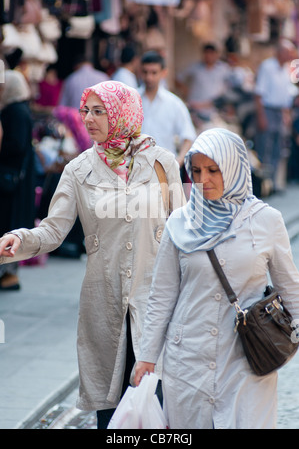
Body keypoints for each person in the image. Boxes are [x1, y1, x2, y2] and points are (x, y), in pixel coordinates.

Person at [0, 80, 186, 428]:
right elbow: (54, 230)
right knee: (112, 412)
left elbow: (185, 230)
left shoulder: (163, 163)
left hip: (156, 304)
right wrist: (18, 239)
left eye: (98, 111)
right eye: (85, 110)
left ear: (121, 114)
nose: (87, 119)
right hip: (105, 304)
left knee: (159, 409)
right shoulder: (78, 170)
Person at [134, 127, 299, 429]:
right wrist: (147, 356)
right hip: (187, 362)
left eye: (213, 170)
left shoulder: (266, 220)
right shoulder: (179, 223)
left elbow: (291, 290)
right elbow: (162, 295)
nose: (203, 180)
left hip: (248, 359)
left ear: (234, 168)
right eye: (196, 171)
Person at [0, 70, 35, 291]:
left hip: (10, 179)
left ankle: (9, 275)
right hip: (14, 179)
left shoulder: (16, 111)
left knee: (8, 224)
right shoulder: (18, 109)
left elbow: (17, 144)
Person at [138, 50, 196, 170]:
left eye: (154, 72)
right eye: (145, 72)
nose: (149, 77)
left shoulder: (174, 104)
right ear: (140, 72)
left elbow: (188, 136)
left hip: (164, 171)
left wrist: (177, 163)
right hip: (135, 170)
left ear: (164, 73)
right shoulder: (131, 100)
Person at [255, 39, 298, 192]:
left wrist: (286, 115)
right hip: (267, 110)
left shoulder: (286, 69)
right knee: (264, 148)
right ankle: (261, 186)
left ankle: (272, 184)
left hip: (280, 112)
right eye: (288, 52)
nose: (291, 55)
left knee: (277, 149)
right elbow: (259, 93)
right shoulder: (267, 67)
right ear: (280, 52)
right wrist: (261, 116)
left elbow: (286, 94)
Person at [176, 43, 231, 123]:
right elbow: (178, 78)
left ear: (216, 54)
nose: (208, 56)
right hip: (196, 109)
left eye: (211, 53)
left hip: (215, 111)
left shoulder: (223, 69)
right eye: (206, 53)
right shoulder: (195, 67)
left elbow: (230, 86)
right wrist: (185, 90)